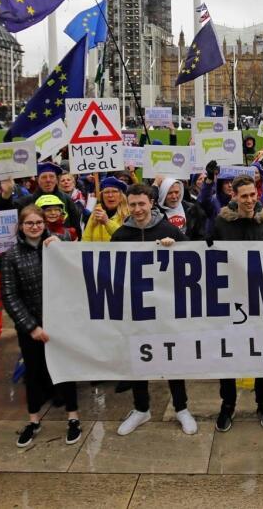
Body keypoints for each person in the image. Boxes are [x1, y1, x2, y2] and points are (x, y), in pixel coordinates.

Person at [108, 184, 196, 436]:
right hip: (135, 309)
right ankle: (141, 409)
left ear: (151, 204)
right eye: (133, 204)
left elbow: (193, 258)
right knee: (138, 359)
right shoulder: (121, 234)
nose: (137, 209)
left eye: (142, 204)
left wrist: (176, 248)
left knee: (172, 359)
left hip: (166, 309)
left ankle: (181, 408)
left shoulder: (168, 229)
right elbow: (106, 267)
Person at [1, 203, 82, 447]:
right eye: (29, 223)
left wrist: (61, 247)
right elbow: (9, 295)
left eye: (38, 223)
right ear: (21, 227)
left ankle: (73, 418)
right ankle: (34, 420)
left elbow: (76, 274)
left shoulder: (57, 245)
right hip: (32, 328)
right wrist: (31, 327)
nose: (35, 227)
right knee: (34, 373)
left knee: (66, 372)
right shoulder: (12, 256)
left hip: (60, 323)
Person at [209, 175, 263, 432]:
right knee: (228, 353)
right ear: (234, 196)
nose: (249, 200)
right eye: (244, 196)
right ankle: (228, 404)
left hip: (259, 298)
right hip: (230, 297)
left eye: (252, 195)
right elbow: (206, 249)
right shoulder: (221, 223)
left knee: (260, 352)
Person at [154, 176, 207, 240]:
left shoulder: (193, 209)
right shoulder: (156, 212)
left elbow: (200, 234)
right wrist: (155, 185)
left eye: (176, 192)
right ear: (163, 194)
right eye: (170, 193)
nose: (174, 196)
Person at [82, 177, 129, 242]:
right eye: (106, 192)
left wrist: (107, 222)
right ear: (102, 197)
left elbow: (127, 238)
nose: (110, 195)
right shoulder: (96, 212)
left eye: (114, 191)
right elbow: (86, 238)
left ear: (121, 196)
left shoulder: (129, 214)